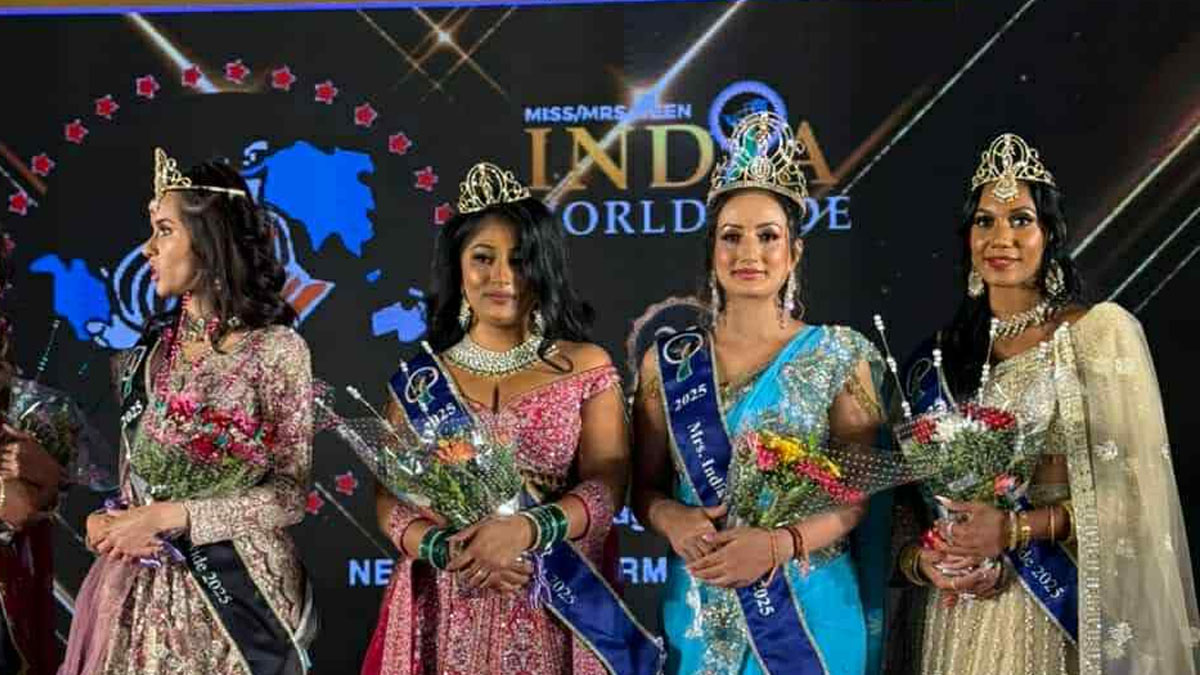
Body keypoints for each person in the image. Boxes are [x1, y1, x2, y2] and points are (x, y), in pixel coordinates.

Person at [60, 148, 318, 675]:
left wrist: (175, 516)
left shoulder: (275, 349)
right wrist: (109, 520)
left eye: (164, 230)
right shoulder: (148, 355)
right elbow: (137, 484)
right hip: (143, 597)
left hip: (237, 598)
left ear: (210, 237)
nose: (147, 248)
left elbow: (290, 495)